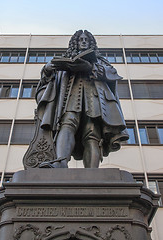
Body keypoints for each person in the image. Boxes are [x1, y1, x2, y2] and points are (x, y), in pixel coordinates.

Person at [36, 30, 129, 168]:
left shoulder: (100, 61)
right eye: (81, 39)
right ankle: (60, 162)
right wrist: (47, 69)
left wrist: (90, 67)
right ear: (76, 43)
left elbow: (112, 73)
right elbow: (48, 78)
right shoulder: (65, 58)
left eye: (86, 39)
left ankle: (92, 170)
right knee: (67, 125)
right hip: (70, 97)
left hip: (95, 98)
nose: (84, 41)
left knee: (92, 133)